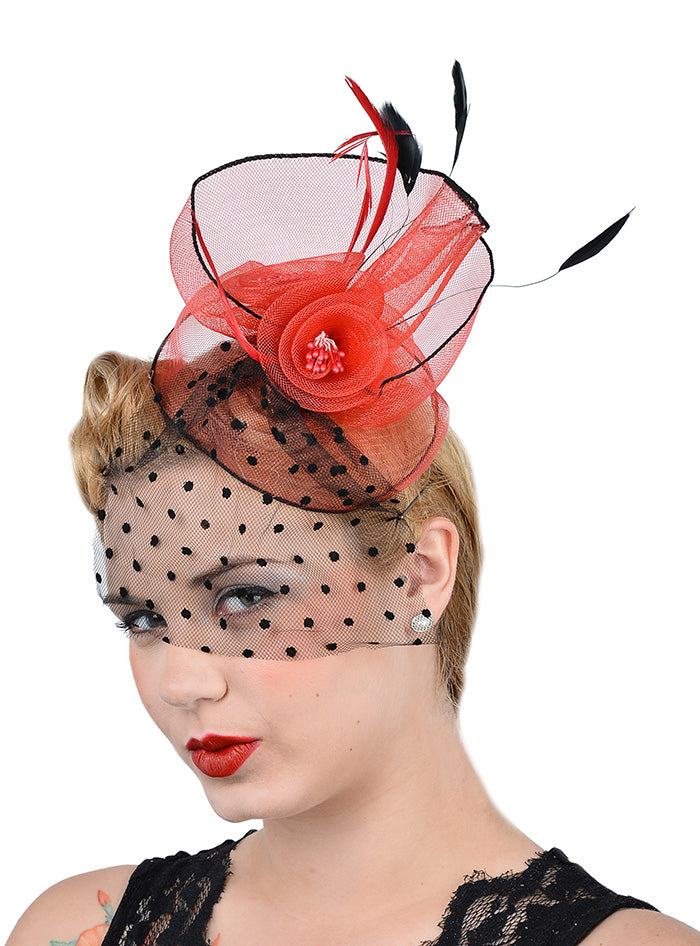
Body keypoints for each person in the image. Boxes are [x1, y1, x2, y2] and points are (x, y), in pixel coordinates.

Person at [7, 69, 699, 946]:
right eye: (143, 617)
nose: (183, 681)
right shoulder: (78, 930)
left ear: (422, 574)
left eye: (245, 597)